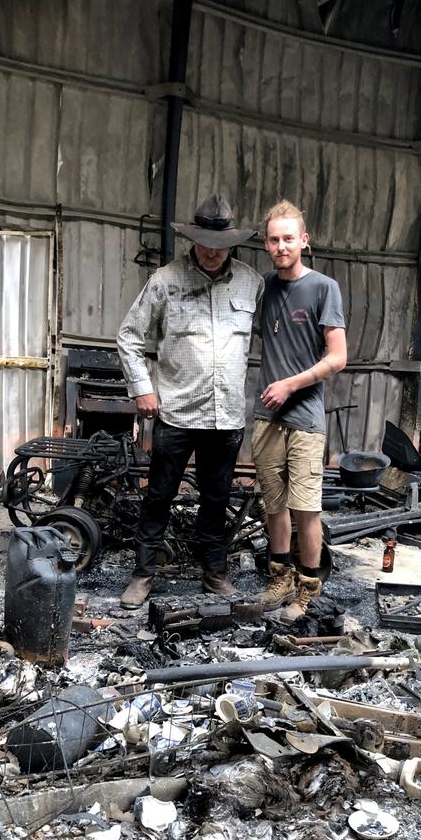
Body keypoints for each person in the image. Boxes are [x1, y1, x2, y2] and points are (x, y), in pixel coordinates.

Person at [117, 193, 263, 608]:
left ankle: (214, 574)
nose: (213, 253)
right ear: (192, 239)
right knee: (159, 494)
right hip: (177, 413)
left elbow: (274, 335)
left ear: (232, 243)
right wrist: (142, 388)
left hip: (227, 417)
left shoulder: (252, 283)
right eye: (204, 244)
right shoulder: (166, 280)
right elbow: (129, 336)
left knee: (217, 499)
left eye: (220, 245)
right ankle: (143, 575)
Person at [252, 200, 347, 621]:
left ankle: (308, 588)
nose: (281, 246)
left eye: (289, 238)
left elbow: (337, 357)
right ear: (266, 243)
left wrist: (291, 384)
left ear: (304, 240)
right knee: (273, 505)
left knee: (306, 509)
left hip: (305, 420)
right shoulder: (264, 288)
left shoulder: (324, 288)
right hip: (266, 419)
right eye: (274, 239)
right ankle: (279, 578)